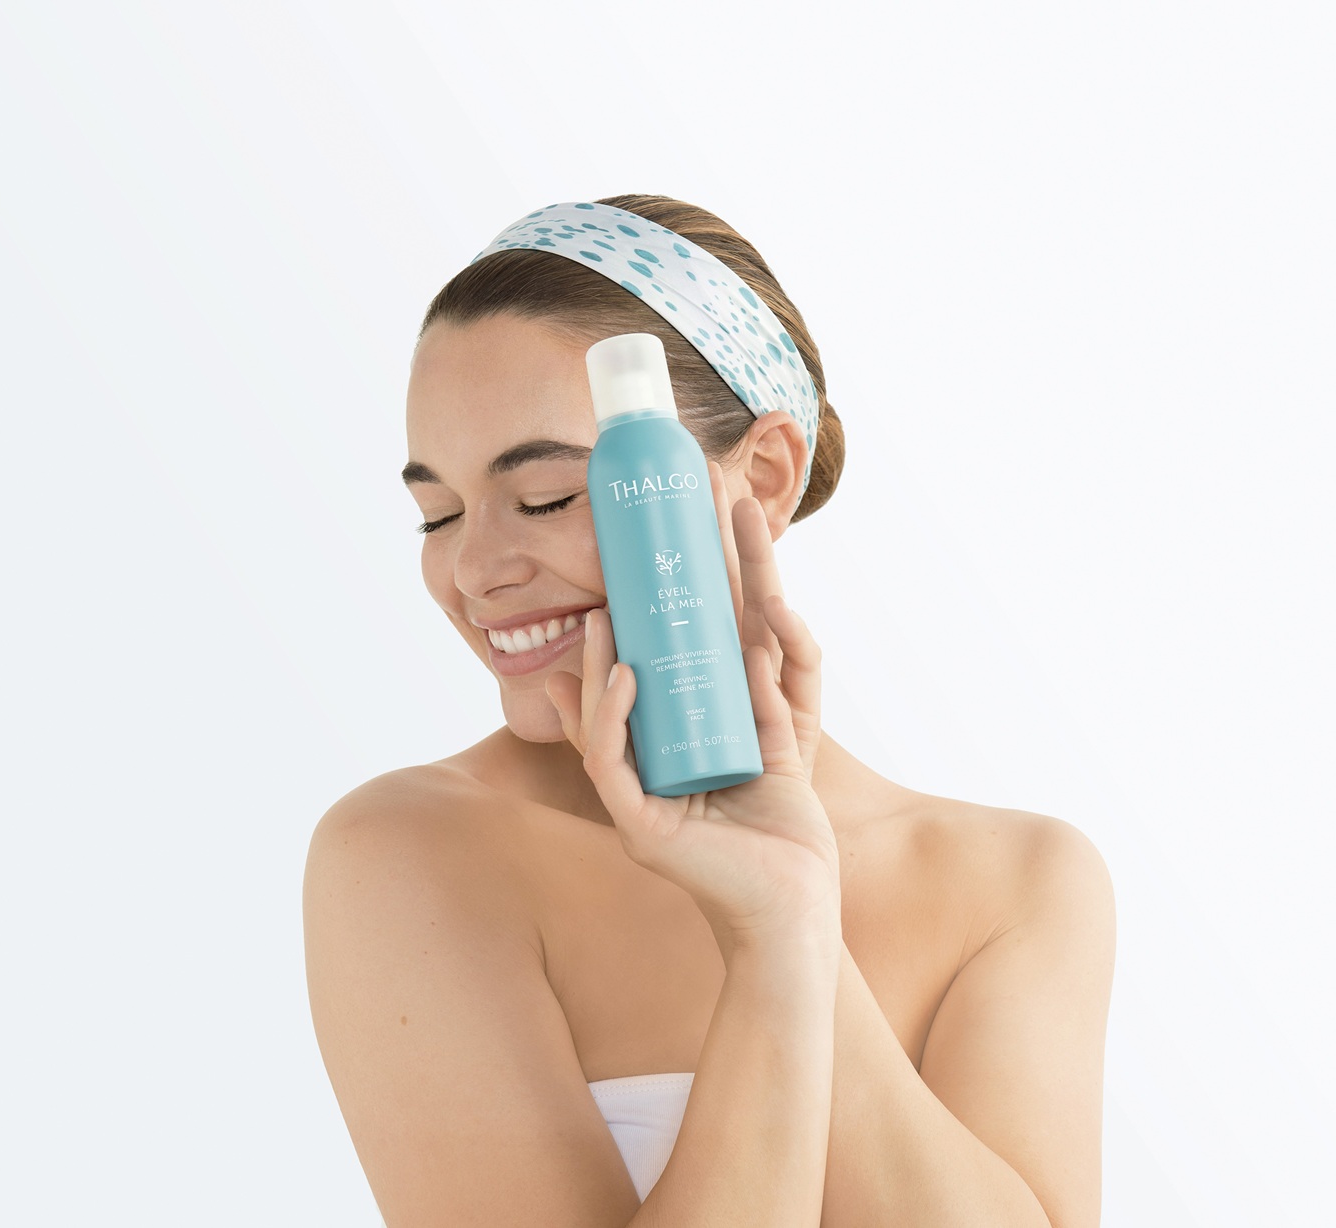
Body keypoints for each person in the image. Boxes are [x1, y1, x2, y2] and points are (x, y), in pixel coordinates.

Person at [302, 194, 1116, 1228]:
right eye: (439, 514)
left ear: (762, 478)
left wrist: (790, 914)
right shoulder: (414, 857)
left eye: (547, 497)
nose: (474, 570)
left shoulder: (1020, 883)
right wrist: (768, 951)